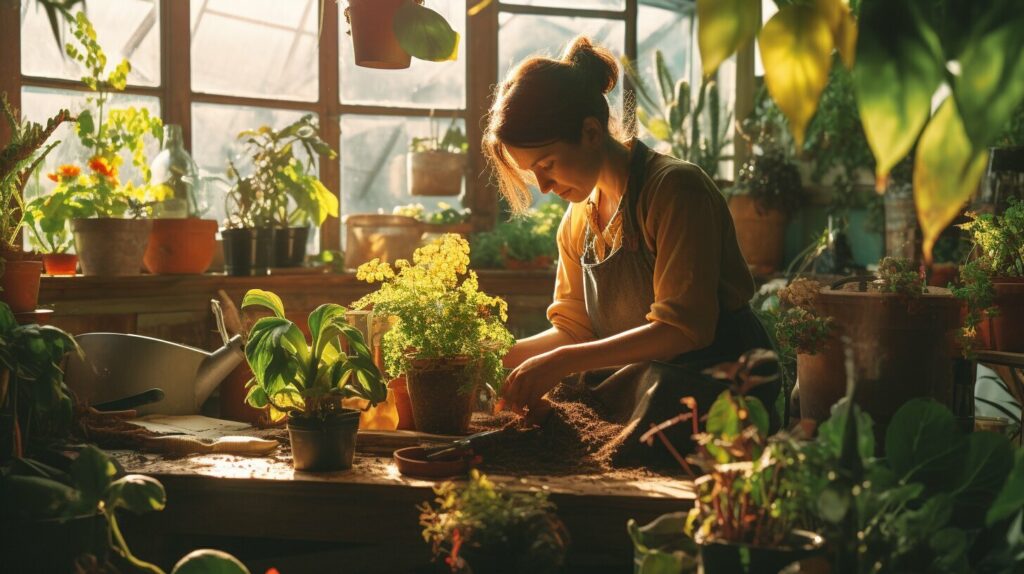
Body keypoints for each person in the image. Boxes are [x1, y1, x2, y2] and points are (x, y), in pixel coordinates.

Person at [484, 36, 780, 462]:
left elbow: (684, 329)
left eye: (547, 164)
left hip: (714, 389)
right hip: (643, 387)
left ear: (590, 132)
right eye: (534, 174)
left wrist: (561, 362)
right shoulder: (578, 219)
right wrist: (493, 357)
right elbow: (574, 329)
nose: (545, 186)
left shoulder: (675, 191)